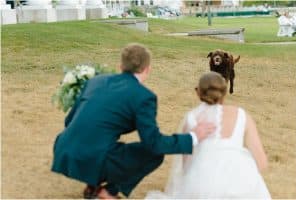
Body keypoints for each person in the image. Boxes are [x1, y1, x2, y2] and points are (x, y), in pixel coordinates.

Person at [51, 43, 215, 199]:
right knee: (154, 154)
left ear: (121, 66)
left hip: (63, 151)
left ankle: (92, 186)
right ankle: (109, 192)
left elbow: (69, 121)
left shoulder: (95, 81)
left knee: (103, 139)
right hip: (93, 157)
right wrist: (193, 137)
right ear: (147, 69)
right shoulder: (144, 97)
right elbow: (153, 143)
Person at [146, 72, 271, 199]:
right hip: (240, 185)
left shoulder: (192, 117)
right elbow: (261, 162)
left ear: (198, 92)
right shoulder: (242, 115)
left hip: (200, 184)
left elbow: (185, 165)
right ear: (224, 92)